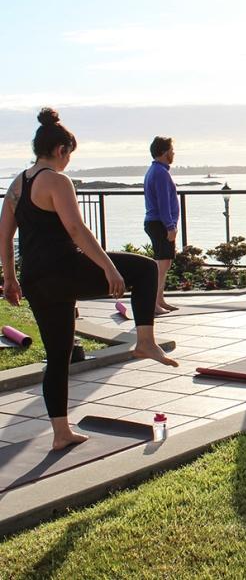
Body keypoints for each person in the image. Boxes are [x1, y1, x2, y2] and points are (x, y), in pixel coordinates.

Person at [0, 108, 177, 451]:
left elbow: (5, 235)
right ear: (62, 150)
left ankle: (61, 433)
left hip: (36, 280)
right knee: (143, 270)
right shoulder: (56, 180)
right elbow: (77, 230)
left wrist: (10, 277)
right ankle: (144, 341)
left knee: (58, 355)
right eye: (70, 155)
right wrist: (109, 267)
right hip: (65, 269)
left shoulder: (17, 184)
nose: (68, 162)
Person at [144, 136, 180, 314]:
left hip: (157, 222)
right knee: (161, 265)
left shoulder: (157, 170)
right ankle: (152, 303)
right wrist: (170, 226)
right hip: (160, 223)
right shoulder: (160, 173)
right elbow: (163, 203)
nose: (174, 153)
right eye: (172, 150)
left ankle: (159, 300)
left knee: (164, 264)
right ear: (165, 152)